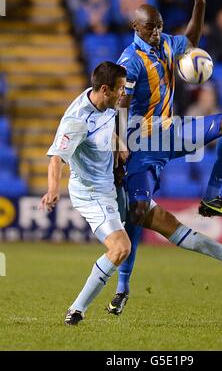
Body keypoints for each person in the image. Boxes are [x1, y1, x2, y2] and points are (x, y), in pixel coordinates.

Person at [107, 0, 222, 315]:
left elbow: (191, 40)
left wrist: (200, 2)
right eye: (150, 28)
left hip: (172, 133)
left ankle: (211, 198)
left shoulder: (165, 43)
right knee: (136, 214)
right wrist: (120, 144)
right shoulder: (129, 61)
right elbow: (121, 106)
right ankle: (122, 287)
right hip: (141, 144)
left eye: (160, 26)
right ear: (136, 27)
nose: (157, 32)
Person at [39, 61, 131, 325]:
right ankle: (77, 309)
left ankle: (112, 293)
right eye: (121, 89)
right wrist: (52, 190)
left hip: (108, 186)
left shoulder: (104, 104)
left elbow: (104, 127)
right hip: (91, 192)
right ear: (105, 89)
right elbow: (56, 158)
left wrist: (119, 143)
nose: (124, 94)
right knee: (121, 248)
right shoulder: (76, 121)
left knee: (134, 225)